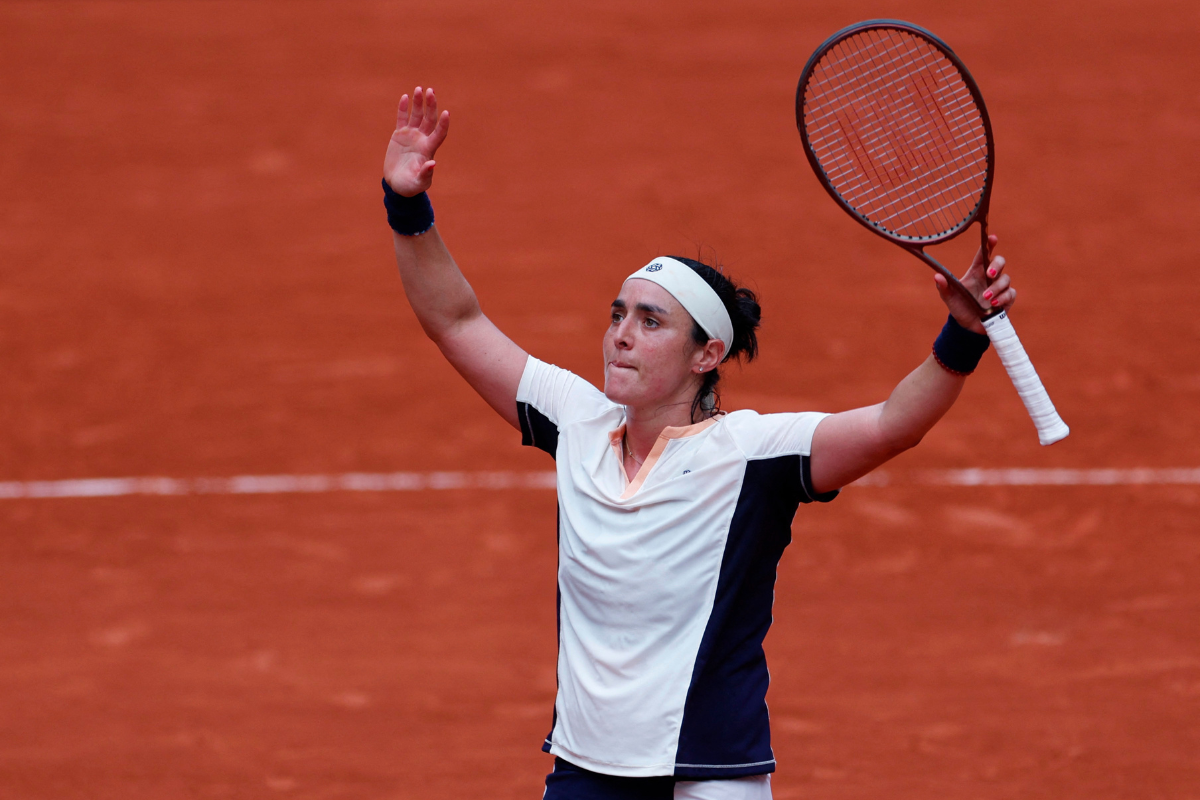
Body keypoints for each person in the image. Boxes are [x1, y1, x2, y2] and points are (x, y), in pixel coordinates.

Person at [382, 88, 1016, 800]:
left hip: (710, 775)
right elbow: (457, 323)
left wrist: (962, 335)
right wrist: (408, 208)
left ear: (706, 353)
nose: (621, 332)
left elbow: (893, 424)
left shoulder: (753, 455)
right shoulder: (576, 422)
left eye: (651, 322)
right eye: (618, 314)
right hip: (586, 769)